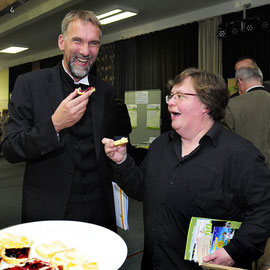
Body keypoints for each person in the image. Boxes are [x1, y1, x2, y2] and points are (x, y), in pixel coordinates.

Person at [102, 68, 270, 269]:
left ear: (207, 104)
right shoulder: (160, 146)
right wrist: (122, 161)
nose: (171, 102)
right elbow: (142, 188)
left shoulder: (241, 154)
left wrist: (234, 250)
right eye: (171, 96)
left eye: (180, 96)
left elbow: (264, 210)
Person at [2, 10, 117, 231]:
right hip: (48, 208)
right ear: (61, 42)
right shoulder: (29, 84)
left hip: (98, 209)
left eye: (93, 43)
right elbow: (10, 148)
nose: (85, 51)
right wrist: (54, 124)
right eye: (77, 41)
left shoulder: (105, 91)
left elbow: (113, 139)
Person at [224, 66, 270, 270]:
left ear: (240, 83)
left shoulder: (232, 106)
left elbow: (223, 147)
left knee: (249, 224)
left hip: (243, 182)